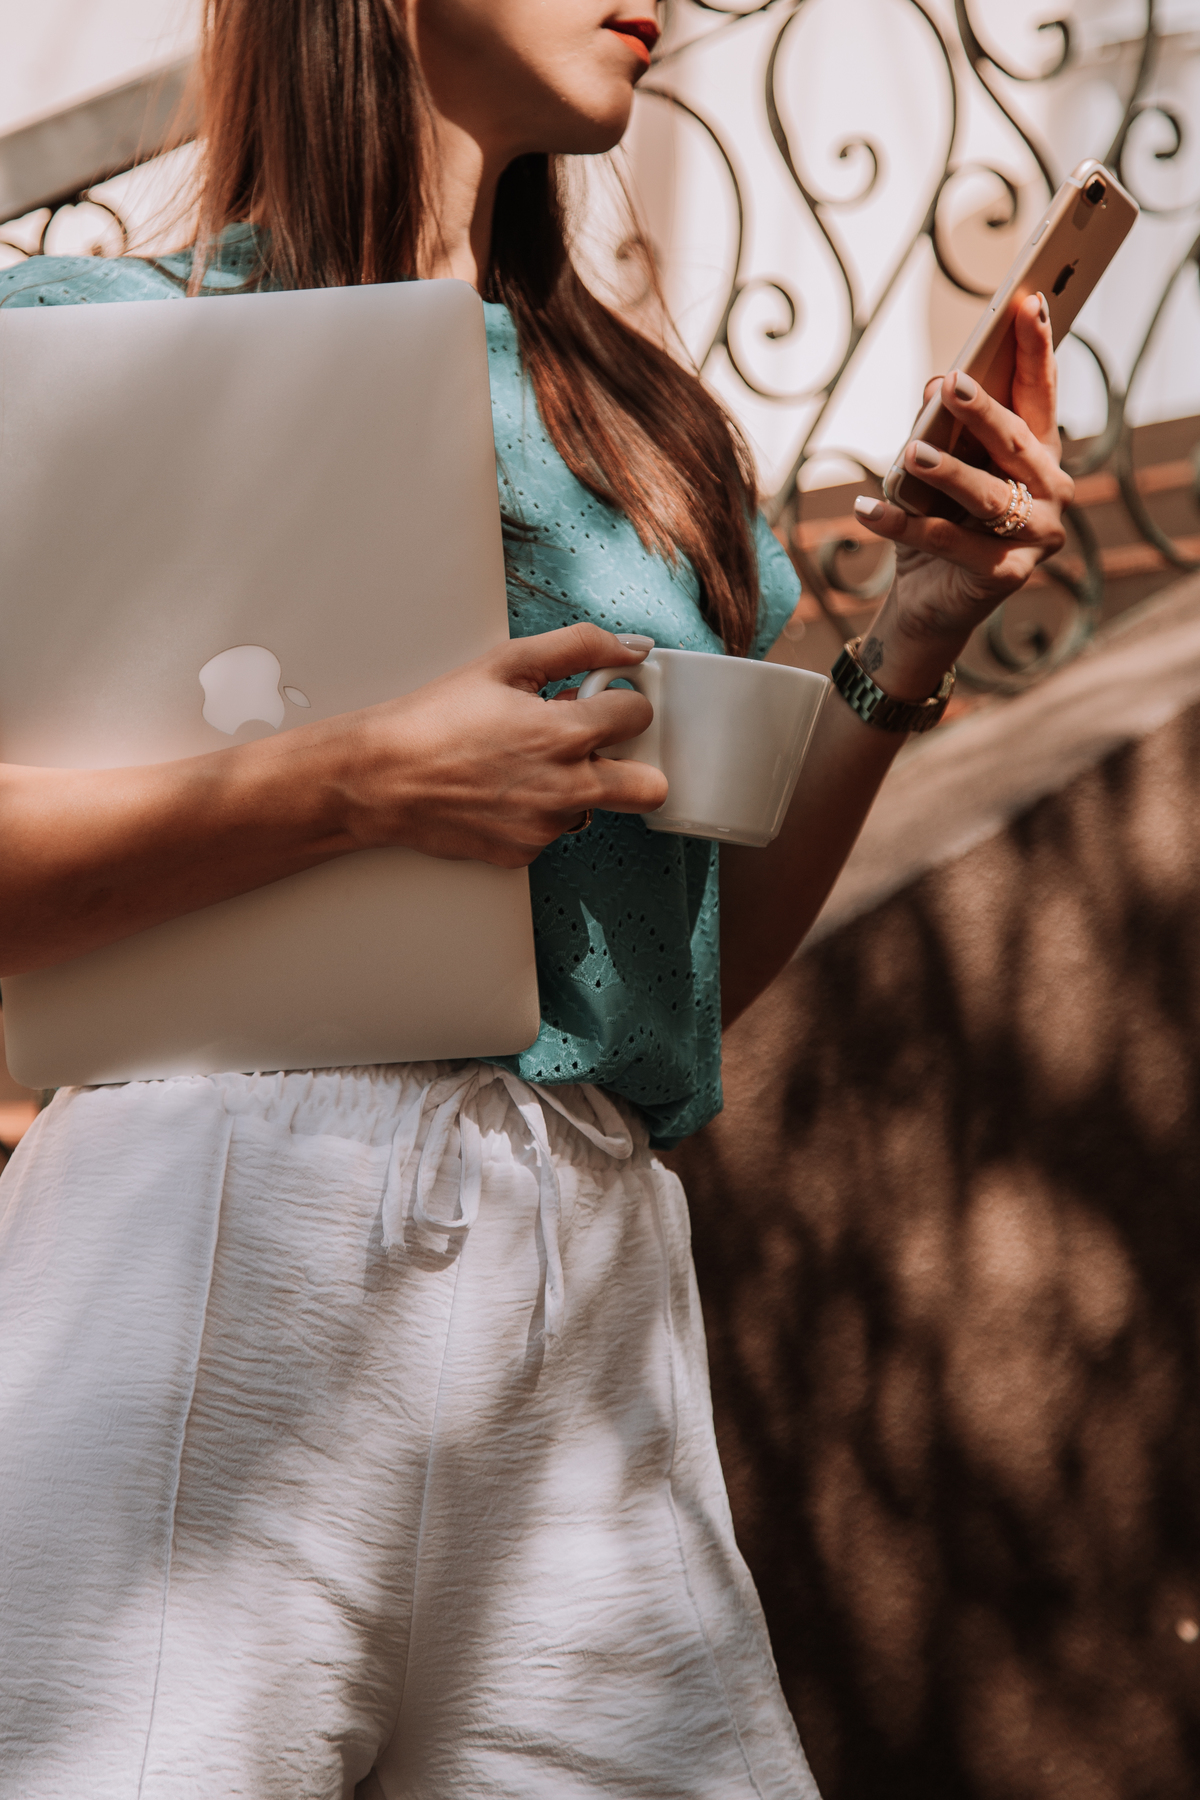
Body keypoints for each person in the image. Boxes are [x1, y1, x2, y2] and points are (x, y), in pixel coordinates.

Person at [0, 3, 1072, 1796]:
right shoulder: (81, 347)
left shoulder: (641, 430)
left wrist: (916, 632)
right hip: (216, 1242)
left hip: (587, 1269)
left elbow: (683, 971)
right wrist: (359, 783)